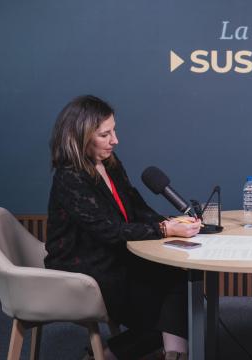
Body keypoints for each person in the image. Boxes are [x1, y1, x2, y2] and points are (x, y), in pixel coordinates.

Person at [45, 95, 201, 360]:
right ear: (80, 136)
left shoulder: (110, 163)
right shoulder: (69, 177)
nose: (115, 140)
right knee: (166, 308)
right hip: (83, 266)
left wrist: (170, 223)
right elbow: (109, 230)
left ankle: (166, 354)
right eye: (105, 134)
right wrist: (163, 231)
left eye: (114, 131)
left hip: (111, 255)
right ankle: (115, 354)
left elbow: (136, 208)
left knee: (178, 283)